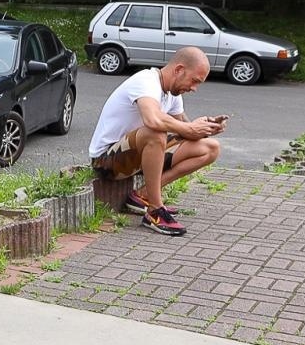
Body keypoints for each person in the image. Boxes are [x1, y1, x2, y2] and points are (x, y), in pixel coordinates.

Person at [86, 46, 226, 236]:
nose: (194, 88)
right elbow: (153, 120)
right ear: (178, 70)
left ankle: (142, 195)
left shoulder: (173, 94)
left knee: (210, 148)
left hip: (137, 155)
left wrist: (206, 128)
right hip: (106, 161)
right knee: (156, 132)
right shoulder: (146, 81)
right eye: (194, 81)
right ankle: (154, 211)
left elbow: (184, 130)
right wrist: (190, 128)